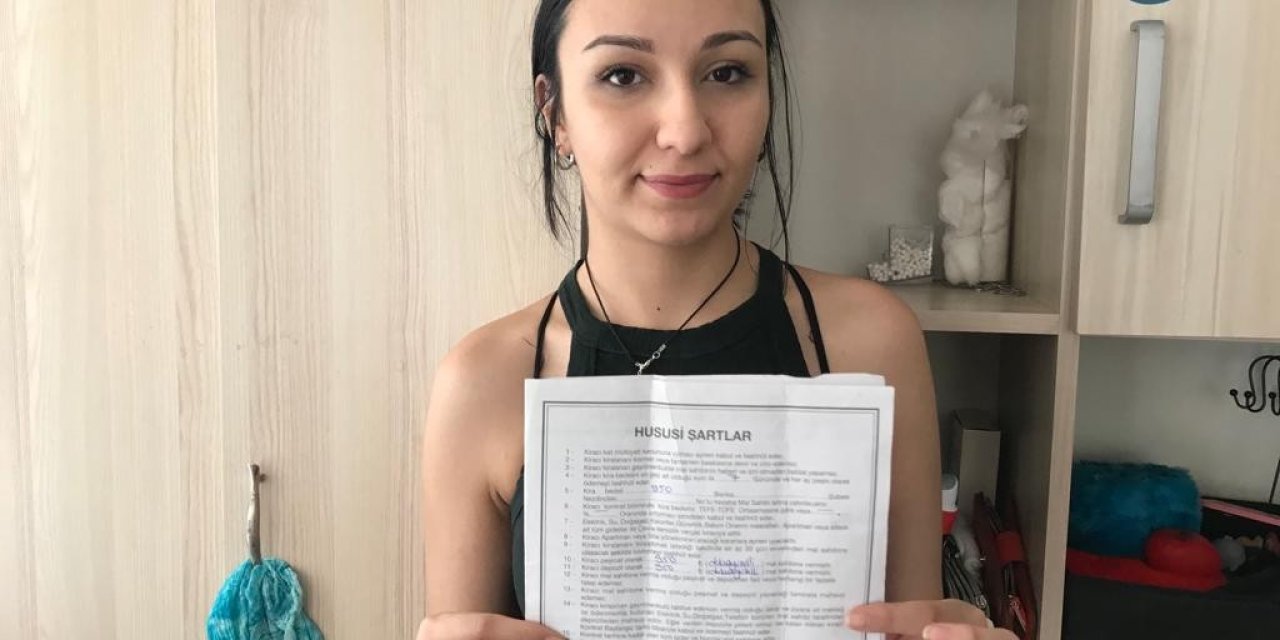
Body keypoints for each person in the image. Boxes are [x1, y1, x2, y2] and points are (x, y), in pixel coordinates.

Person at [418, 1, 1014, 638]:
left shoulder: (871, 343)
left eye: (727, 72)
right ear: (554, 112)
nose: (685, 131)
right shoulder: (482, 382)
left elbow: (907, 621)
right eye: (623, 75)